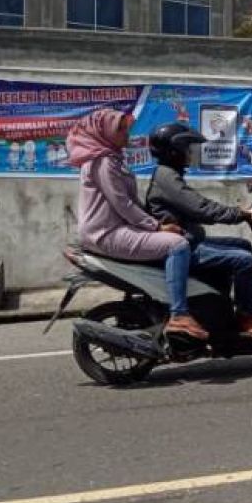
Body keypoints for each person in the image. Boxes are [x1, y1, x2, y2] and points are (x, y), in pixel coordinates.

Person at [67, 109, 208, 341]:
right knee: (178, 245)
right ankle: (179, 314)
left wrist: (156, 223)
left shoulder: (110, 158)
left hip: (112, 229)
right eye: (120, 129)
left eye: (126, 128)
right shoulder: (103, 161)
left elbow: (129, 203)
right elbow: (122, 203)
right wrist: (156, 227)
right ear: (103, 132)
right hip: (107, 233)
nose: (126, 134)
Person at [144, 122, 252, 341]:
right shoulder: (167, 177)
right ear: (174, 151)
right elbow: (200, 207)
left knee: (243, 245)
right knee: (244, 261)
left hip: (189, 239)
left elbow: (195, 207)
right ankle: (246, 315)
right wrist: (244, 215)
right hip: (184, 245)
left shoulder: (168, 174)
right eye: (186, 148)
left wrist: (240, 211)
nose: (190, 153)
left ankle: (220, 304)